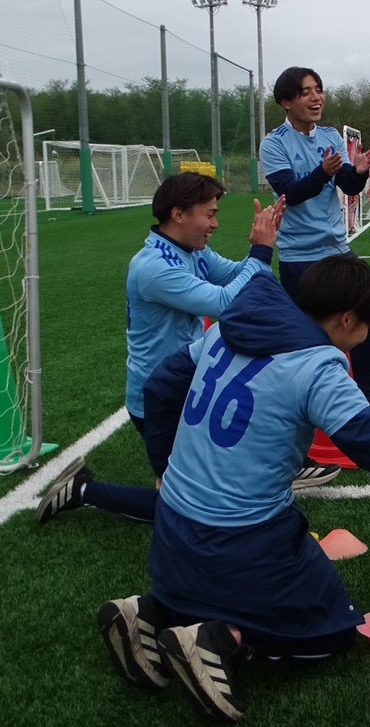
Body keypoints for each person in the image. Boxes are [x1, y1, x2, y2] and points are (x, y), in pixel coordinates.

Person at [96, 255, 370, 722]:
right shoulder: (316, 364)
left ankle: (150, 613)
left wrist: (163, 465)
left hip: (171, 523)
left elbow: (160, 386)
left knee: (210, 589)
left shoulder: (226, 329)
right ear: (347, 319)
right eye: (367, 327)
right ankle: (223, 642)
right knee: (330, 631)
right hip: (240, 536)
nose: (366, 338)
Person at [35, 176, 336, 525]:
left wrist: (267, 239)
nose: (215, 223)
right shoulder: (154, 267)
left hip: (189, 381)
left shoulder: (192, 251)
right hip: (160, 397)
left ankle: (276, 464)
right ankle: (82, 490)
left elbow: (239, 275)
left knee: (224, 464)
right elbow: (225, 302)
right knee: (187, 511)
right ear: (178, 214)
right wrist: (260, 251)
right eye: (209, 214)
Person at [260, 66, 370, 401]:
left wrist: (358, 172)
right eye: (306, 92)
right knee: (308, 336)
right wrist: (323, 172)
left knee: (361, 323)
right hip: (300, 256)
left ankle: (364, 399)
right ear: (286, 102)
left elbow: (347, 185)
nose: (316, 98)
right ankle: (305, 402)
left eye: (319, 89)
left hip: (337, 249)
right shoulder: (274, 143)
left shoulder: (329, 137)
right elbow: (291, 193)